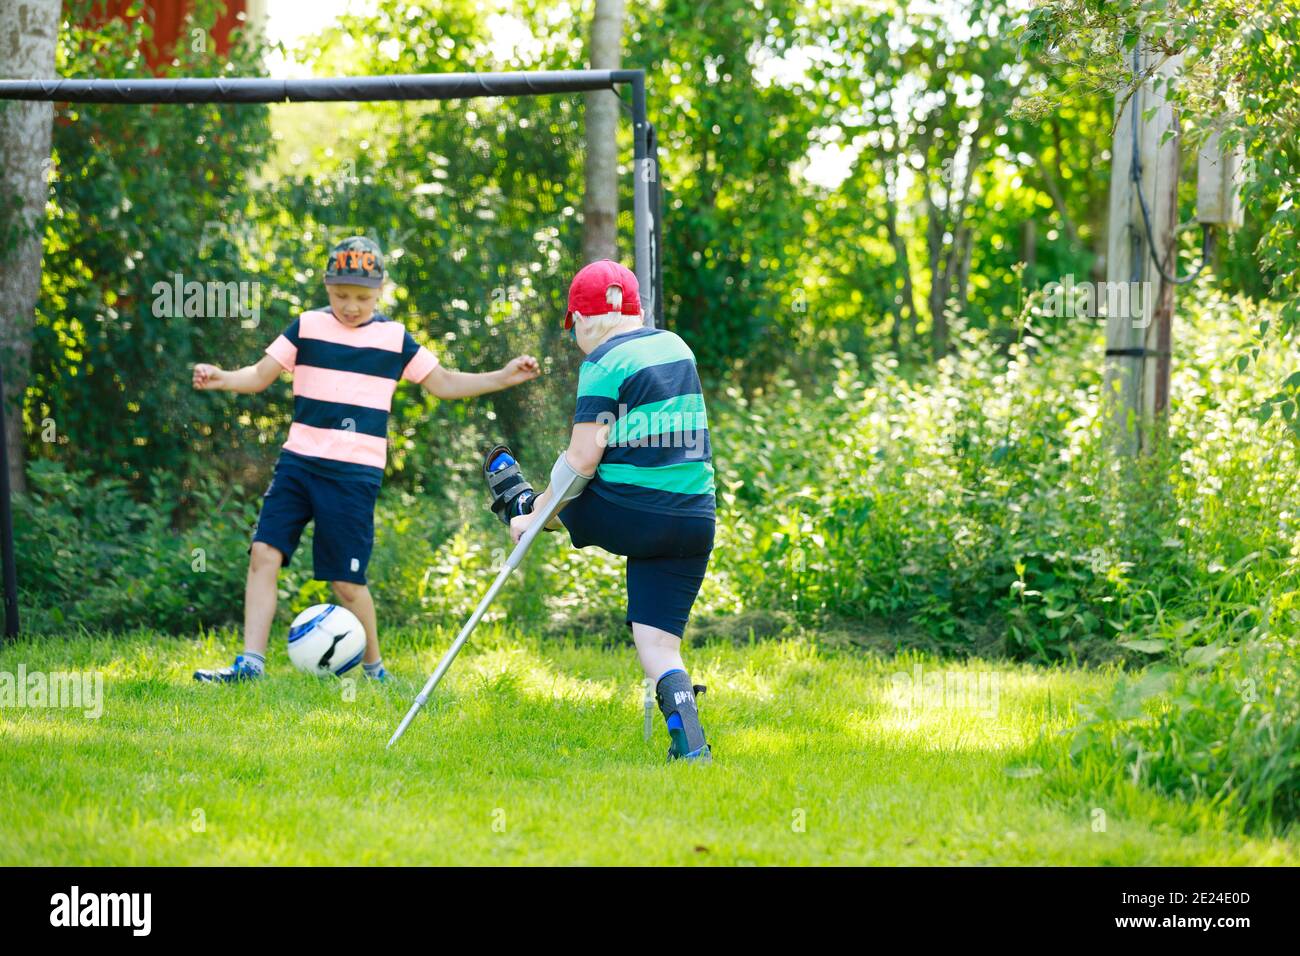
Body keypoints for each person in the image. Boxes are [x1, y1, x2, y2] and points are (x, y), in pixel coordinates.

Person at [192, 236, 539, 682]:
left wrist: (504, 377)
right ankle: (250, 665)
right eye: (341, 296)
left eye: (361, 297)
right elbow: (258, 377)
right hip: (298, 463)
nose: (351, 306)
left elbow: (445, 383)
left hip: (354, 475)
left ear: (380, 291)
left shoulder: (393, 339)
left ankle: (375, 669)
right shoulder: (306, 328)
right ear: (326, 288)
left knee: (345, 583)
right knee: (263, 553)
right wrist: (220, 378)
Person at [485, 259, 716, 762]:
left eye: (575, 329)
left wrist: (539, 510)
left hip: (631, 513)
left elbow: (583, 460)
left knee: (571, 483)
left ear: (585, 320)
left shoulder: (603, 362)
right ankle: (691, 745)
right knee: (657, 643)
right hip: (694, 518)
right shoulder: (677, 346)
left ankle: (522, 509)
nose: (577, 340)